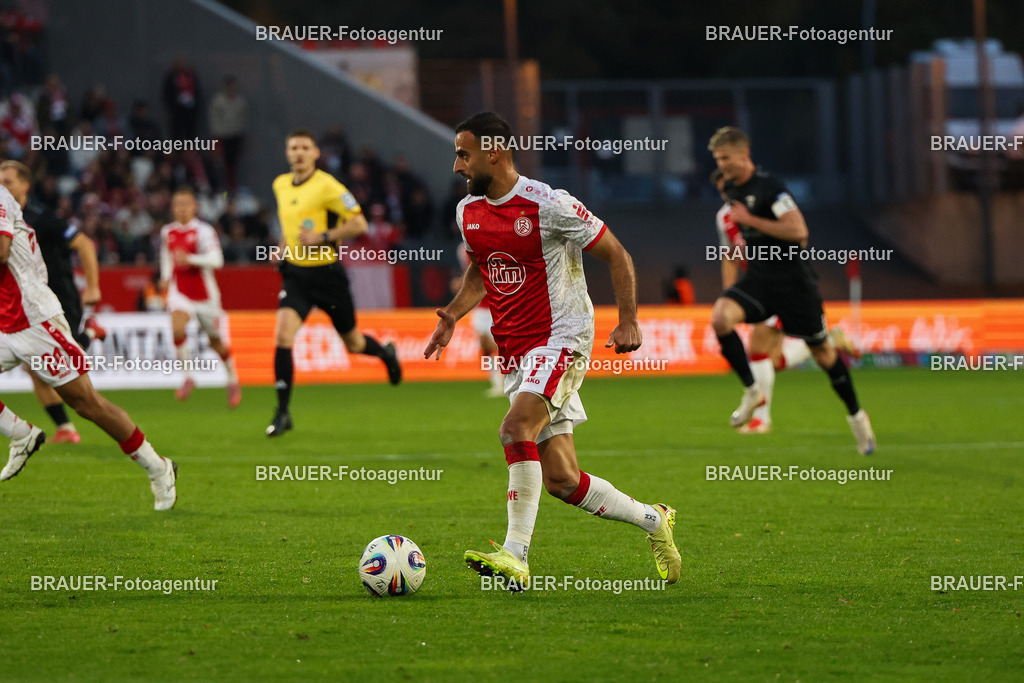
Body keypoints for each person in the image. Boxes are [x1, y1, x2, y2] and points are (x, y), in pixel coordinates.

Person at [424, 112, 680, 587]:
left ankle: (515, 556)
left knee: (514, 427)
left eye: (463, 153)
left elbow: (617, 253)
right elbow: (481, 270)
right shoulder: (468, 212)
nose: (457, 165)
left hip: (562, 337)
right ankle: (654, 520)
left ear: (493, 151)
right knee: (562, 479)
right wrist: (452, 316)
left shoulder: (549, 204)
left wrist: (628, 319)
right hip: (516, 351)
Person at [0, 184, 177, 510]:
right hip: (6, 322)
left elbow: (1, 250)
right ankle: (19, 433)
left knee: (87, 405)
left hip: (36, 322)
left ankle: (157, 466)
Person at [707, 127, 875, 454]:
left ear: (743, 154)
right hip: (758, 281)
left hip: (794, 285)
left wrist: (753, 220)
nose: (721, 165)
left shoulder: (771, 187)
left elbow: (799, 232)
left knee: (823, 355)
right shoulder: (729, 194)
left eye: (725, 158)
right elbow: (730, 251)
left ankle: (857, 415)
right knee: (721, 319)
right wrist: (731, 293)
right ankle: (753, 391)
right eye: (717, 159)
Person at [267, 129, 402, 437]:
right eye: (293, 148)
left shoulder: (328, 186)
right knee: (283, 336)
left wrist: (323, 237)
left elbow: (359, 223)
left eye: (304, 147)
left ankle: (386, 354)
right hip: (297, 275)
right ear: (287, 153)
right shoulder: (280, 184)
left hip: (327, 276)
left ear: (316, 153)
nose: (298, 153)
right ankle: (282, 412)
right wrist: (282, 246)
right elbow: (290, 226)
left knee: (353, 343)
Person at [0, 160, 106, 444]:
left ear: (25, 186)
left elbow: (84, 244)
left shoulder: (43, 217)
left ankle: (91, 333)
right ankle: (66, 429)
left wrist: (93, 286)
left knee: (59, 366)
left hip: (56, 301)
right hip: (23, 306)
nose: (2, 187)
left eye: (8, 181)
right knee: (35, 367)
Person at [158, 186, 241, 407]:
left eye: (186, 204)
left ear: (195, 207)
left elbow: (217, 260)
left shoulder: (204, 231)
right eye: (178, 205)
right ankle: (188, 377)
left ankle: (232, 378)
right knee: (176, 328)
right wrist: (166, 277)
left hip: (205, 296)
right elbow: (167, 256)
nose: (182, 209)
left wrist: (192, 259)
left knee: (216, 341)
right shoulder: (167, 231)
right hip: (180, 292)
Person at [455, 243, 503, 397]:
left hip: (499, 301)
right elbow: (472, 271)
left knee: (501, 343)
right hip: (480, 305)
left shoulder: (495, 241)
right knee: (484, 344)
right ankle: (496, 382)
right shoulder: (462, 249)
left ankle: (509, 377)